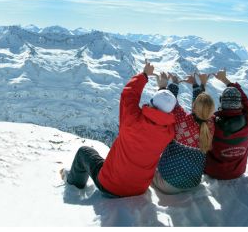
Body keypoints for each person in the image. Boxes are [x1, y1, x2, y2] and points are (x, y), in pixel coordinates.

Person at [61, 60, 177, 197]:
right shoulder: (168, 132)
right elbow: (162, 114)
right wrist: (164, 91)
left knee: (84, 152)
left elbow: (129, 95)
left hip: (111, 185)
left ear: (151, 103)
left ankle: (73, 183)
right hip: (139, 188)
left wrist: (144, 75)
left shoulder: (132, 120)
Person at [152, 72, 215, 194]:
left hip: (167, 184)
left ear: (193, 107)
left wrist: (174, 84)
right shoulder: (211, 125)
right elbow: (201, 110)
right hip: (193, 183)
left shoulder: (182, 119)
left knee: (147, 164)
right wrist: (196, 86)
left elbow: (169, 101)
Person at [204, 69, 248, 179]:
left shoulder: (212, 122)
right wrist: (226, 81)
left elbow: (200, 111)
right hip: (238, 172)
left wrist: (201, 86)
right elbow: (247, 103)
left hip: (213, 171)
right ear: (239, 103)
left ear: (221, 101)